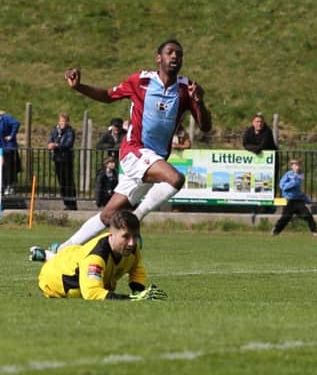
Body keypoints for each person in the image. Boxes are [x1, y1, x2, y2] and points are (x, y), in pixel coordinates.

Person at [30, 39, 211, 262]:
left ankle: (57, 253)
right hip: (135, 151)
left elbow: (205, 127)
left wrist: (200, 103)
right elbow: (108, 95)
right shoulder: (141, 81)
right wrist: (79, 87)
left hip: (153, 162)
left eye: (179, 54)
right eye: (169, 52)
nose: (175, 57)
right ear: (158, 58)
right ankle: (136, 217)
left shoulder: (186, 89)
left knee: (107, 215)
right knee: (176, 179)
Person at [35, 210, 167, 301]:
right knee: (74, 271)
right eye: (126, 237)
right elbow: (92, 293)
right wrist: (131, 299)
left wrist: (138, 291)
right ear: (111, 234)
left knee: (75, 256)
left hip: (74, 255)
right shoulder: (95, 258)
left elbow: (136, 268)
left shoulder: (131, 248)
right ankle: (48, 256)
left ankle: (48, 254)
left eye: (135, 236)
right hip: (52, 279)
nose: (132, 243)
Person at [272, 158, 317, 236]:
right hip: (289, 200)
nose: (297, 166)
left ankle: (314, 232)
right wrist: (292, 183)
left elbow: (299, 190)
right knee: (285, 217)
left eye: (299, 165)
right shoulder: (288, 174)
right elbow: (282, 186)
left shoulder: (301, 175)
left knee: (307, 215)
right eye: (295, 165)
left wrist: (306, 199)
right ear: (292, 166)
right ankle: (275, 231)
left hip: (298, 200)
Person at [48, 113, 77, 210]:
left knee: (68, 181)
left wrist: (56, 145)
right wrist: (50, 144)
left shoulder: (70, 132)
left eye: (64, 121)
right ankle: (66, 202)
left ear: (67, 122)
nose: (62, 123)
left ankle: (72, 203)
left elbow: (68, 144)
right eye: (61, 121)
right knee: (61, 182)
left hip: (66, 158)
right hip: (57, 158)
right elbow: (50, 140)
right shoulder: (55, 130)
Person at [0, 110, 21, 195]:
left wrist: (11, 136)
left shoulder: (6, 117)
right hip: (1, 148)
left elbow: (16, 123)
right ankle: (3, 185)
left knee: (8, 167)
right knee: (2, 168)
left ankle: (9, 186)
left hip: (8, 148)